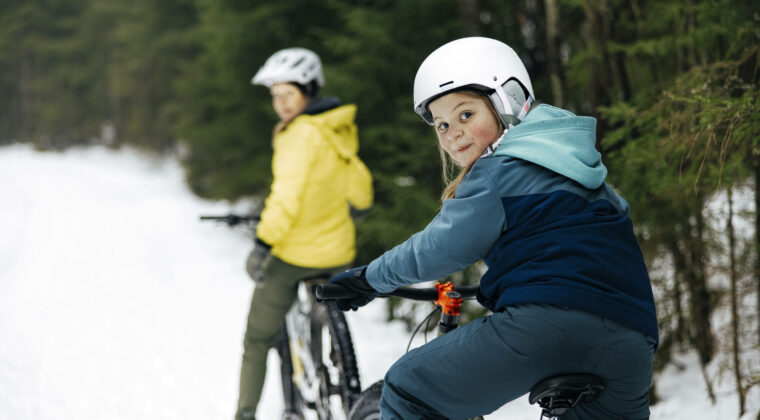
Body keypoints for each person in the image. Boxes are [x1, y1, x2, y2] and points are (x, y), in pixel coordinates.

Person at [329, 37, 658, 420]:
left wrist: (370, 278)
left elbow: (441, 248)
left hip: (546, 326)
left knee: (407, 387)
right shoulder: (589, 176)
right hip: (633, 340)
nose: (452, 133)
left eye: (466, 115)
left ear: (509, 102)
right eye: (442, 125)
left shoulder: (500, 170)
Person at [236, 47, 373, 420]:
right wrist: (354, 209)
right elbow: (359, 188)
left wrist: (263, 245)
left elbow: (286, 198)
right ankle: (335, 366)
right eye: (275, 96)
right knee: (322, 309)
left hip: (294, 255)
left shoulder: (298, 134)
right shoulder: (337, 126)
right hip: (338, 254)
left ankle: (244, 414)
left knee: (256, 339)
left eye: (288, 95)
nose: (280, 104)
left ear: (308, 91)